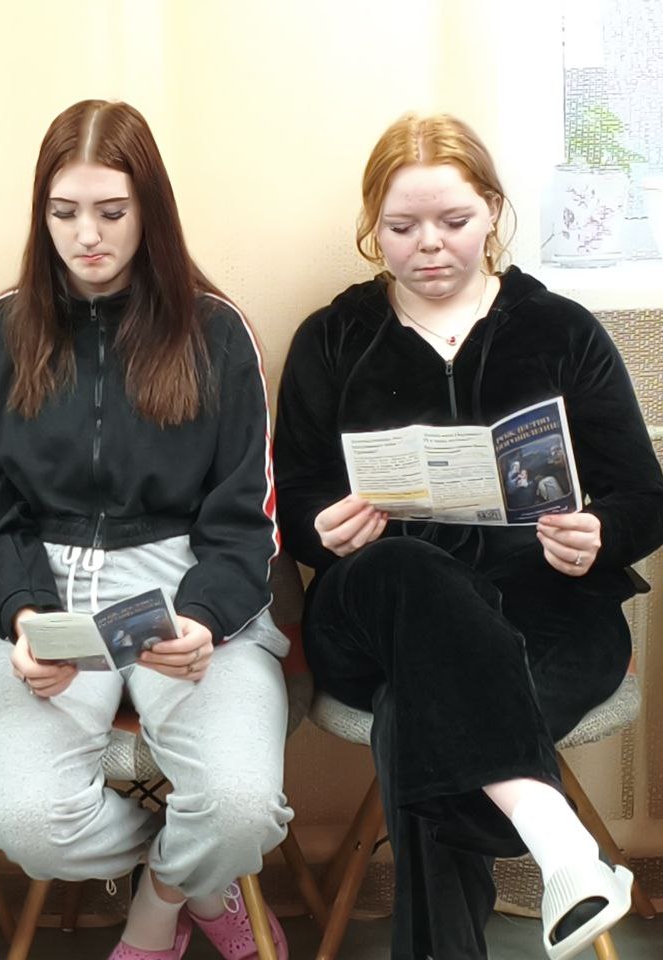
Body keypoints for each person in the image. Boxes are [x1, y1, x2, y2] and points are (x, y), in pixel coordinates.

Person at [273, 113, 663, 960]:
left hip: (547, 612)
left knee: (417, 717)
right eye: (401, 227)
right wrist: (319, 527)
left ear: (491, 208)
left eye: (453, 221)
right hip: (376, 610)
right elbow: (294, 494)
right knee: (408, 567)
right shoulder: (333, 339)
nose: (428, 246)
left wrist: (598, 534)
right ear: (372, 225)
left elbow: (644, 495)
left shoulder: (561, 331)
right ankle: (557, 837)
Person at [0, 99, 293, 960]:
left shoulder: (217, 332)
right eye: (64, 213)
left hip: (185, 588)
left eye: (111, 212)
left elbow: (247, 514)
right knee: (31, 829)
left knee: (244, 809)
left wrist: (206, 618)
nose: (87, 236)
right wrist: (23, 617)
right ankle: (200, 881)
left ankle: (155, 911)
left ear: (151, 211)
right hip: (45, 592)